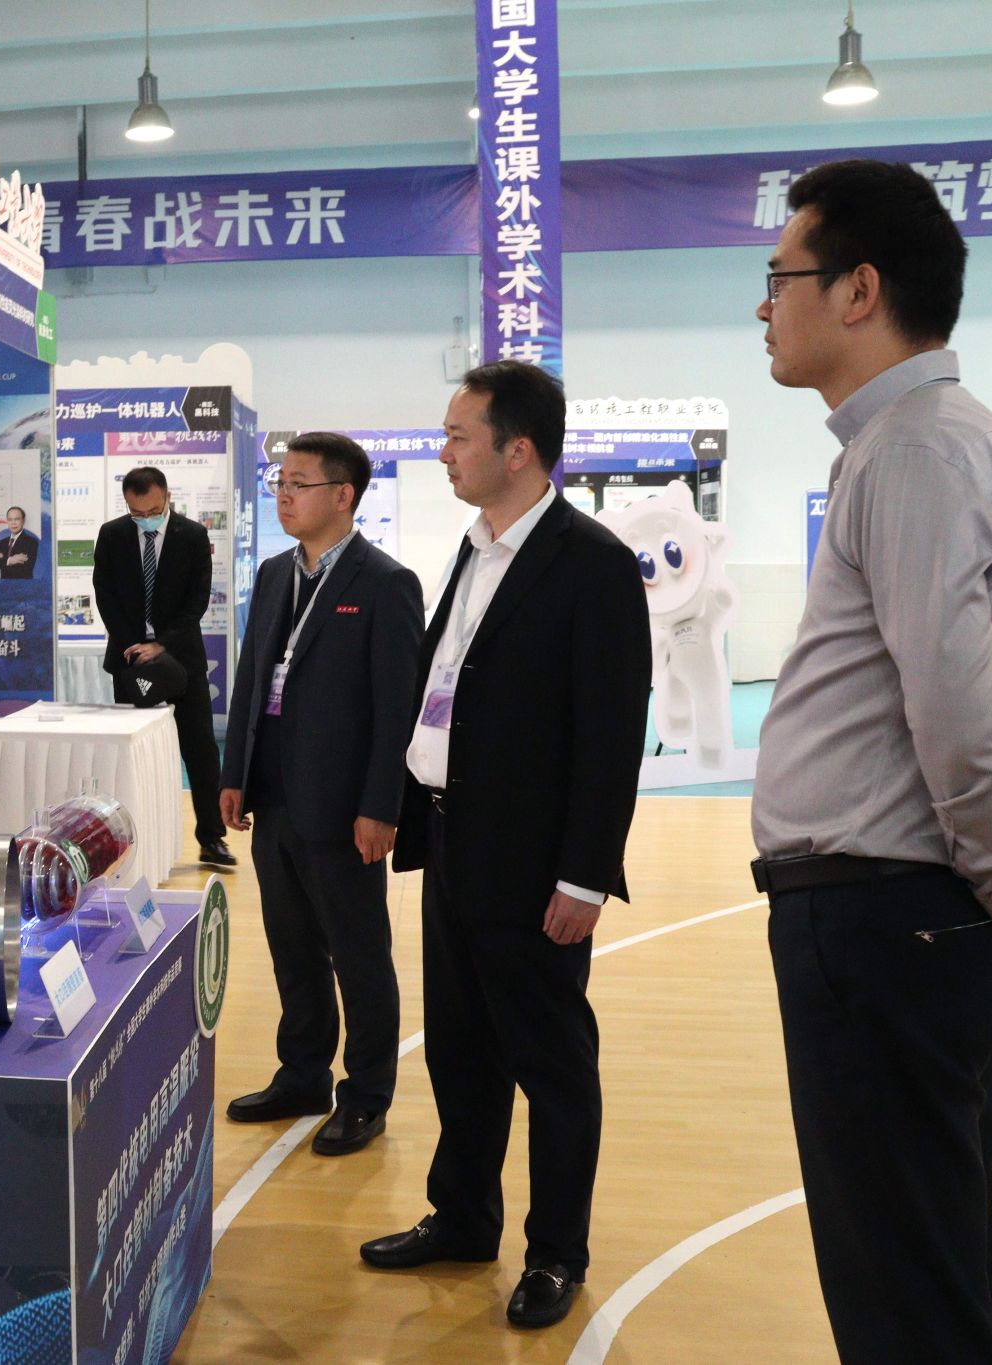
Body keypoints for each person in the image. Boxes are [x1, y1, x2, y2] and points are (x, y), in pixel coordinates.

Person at [750, 160, 992, 1364]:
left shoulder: (915, 449)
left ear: (856, 290)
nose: (762, 305)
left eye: (779, 277)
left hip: (886, 920)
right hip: (904, 918)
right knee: (937, 1264)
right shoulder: (933, 442)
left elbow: (960, 721)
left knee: (901, 1293)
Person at [359, 360, 649, 1331]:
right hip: (453, 841)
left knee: (551, 1064)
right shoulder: (475, 548)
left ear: (516, 450)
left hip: (532, 864)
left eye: (458, 435)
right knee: (460, 1048)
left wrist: (584, 877)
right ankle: (462, 1216)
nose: (442, 451)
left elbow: (609, 735)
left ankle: (556, 1251)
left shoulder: (590, 563)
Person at [217, 433, 423, 1154]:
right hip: (275, 793)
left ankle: (365, 1095)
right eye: (280, 483)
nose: (284, 495)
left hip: (343, 805)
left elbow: (396, 708)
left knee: (358, 955)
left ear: (343, 495)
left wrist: (381, 805)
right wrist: (234, 773)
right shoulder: (276, 573)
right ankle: (303, 1073)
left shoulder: (386, 583)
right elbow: (253, 679)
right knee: (292, 947)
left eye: (298, 484)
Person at [92, 466, 235, 869]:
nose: (145, 519)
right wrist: (133, 646)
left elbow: (197, 600)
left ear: (167, 497)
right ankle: (132, 841)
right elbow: (105, 595)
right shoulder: (112, 535)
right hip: (129, 659)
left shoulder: (193, 535)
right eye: (137, 513)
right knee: (131, 752)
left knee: (201, 750)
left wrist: (160, 644)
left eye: (153, 511)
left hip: (182, 659)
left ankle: (212, 838)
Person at [0, 506, 40, 579]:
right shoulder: (3, 542)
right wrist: (10, 560)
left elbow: (25, 568)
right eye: (10, 519)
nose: (13, 523)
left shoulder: (31, 542)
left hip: (22, 584)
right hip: (4, 584)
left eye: (17, 519)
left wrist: (2, 560)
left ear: (23, 521)